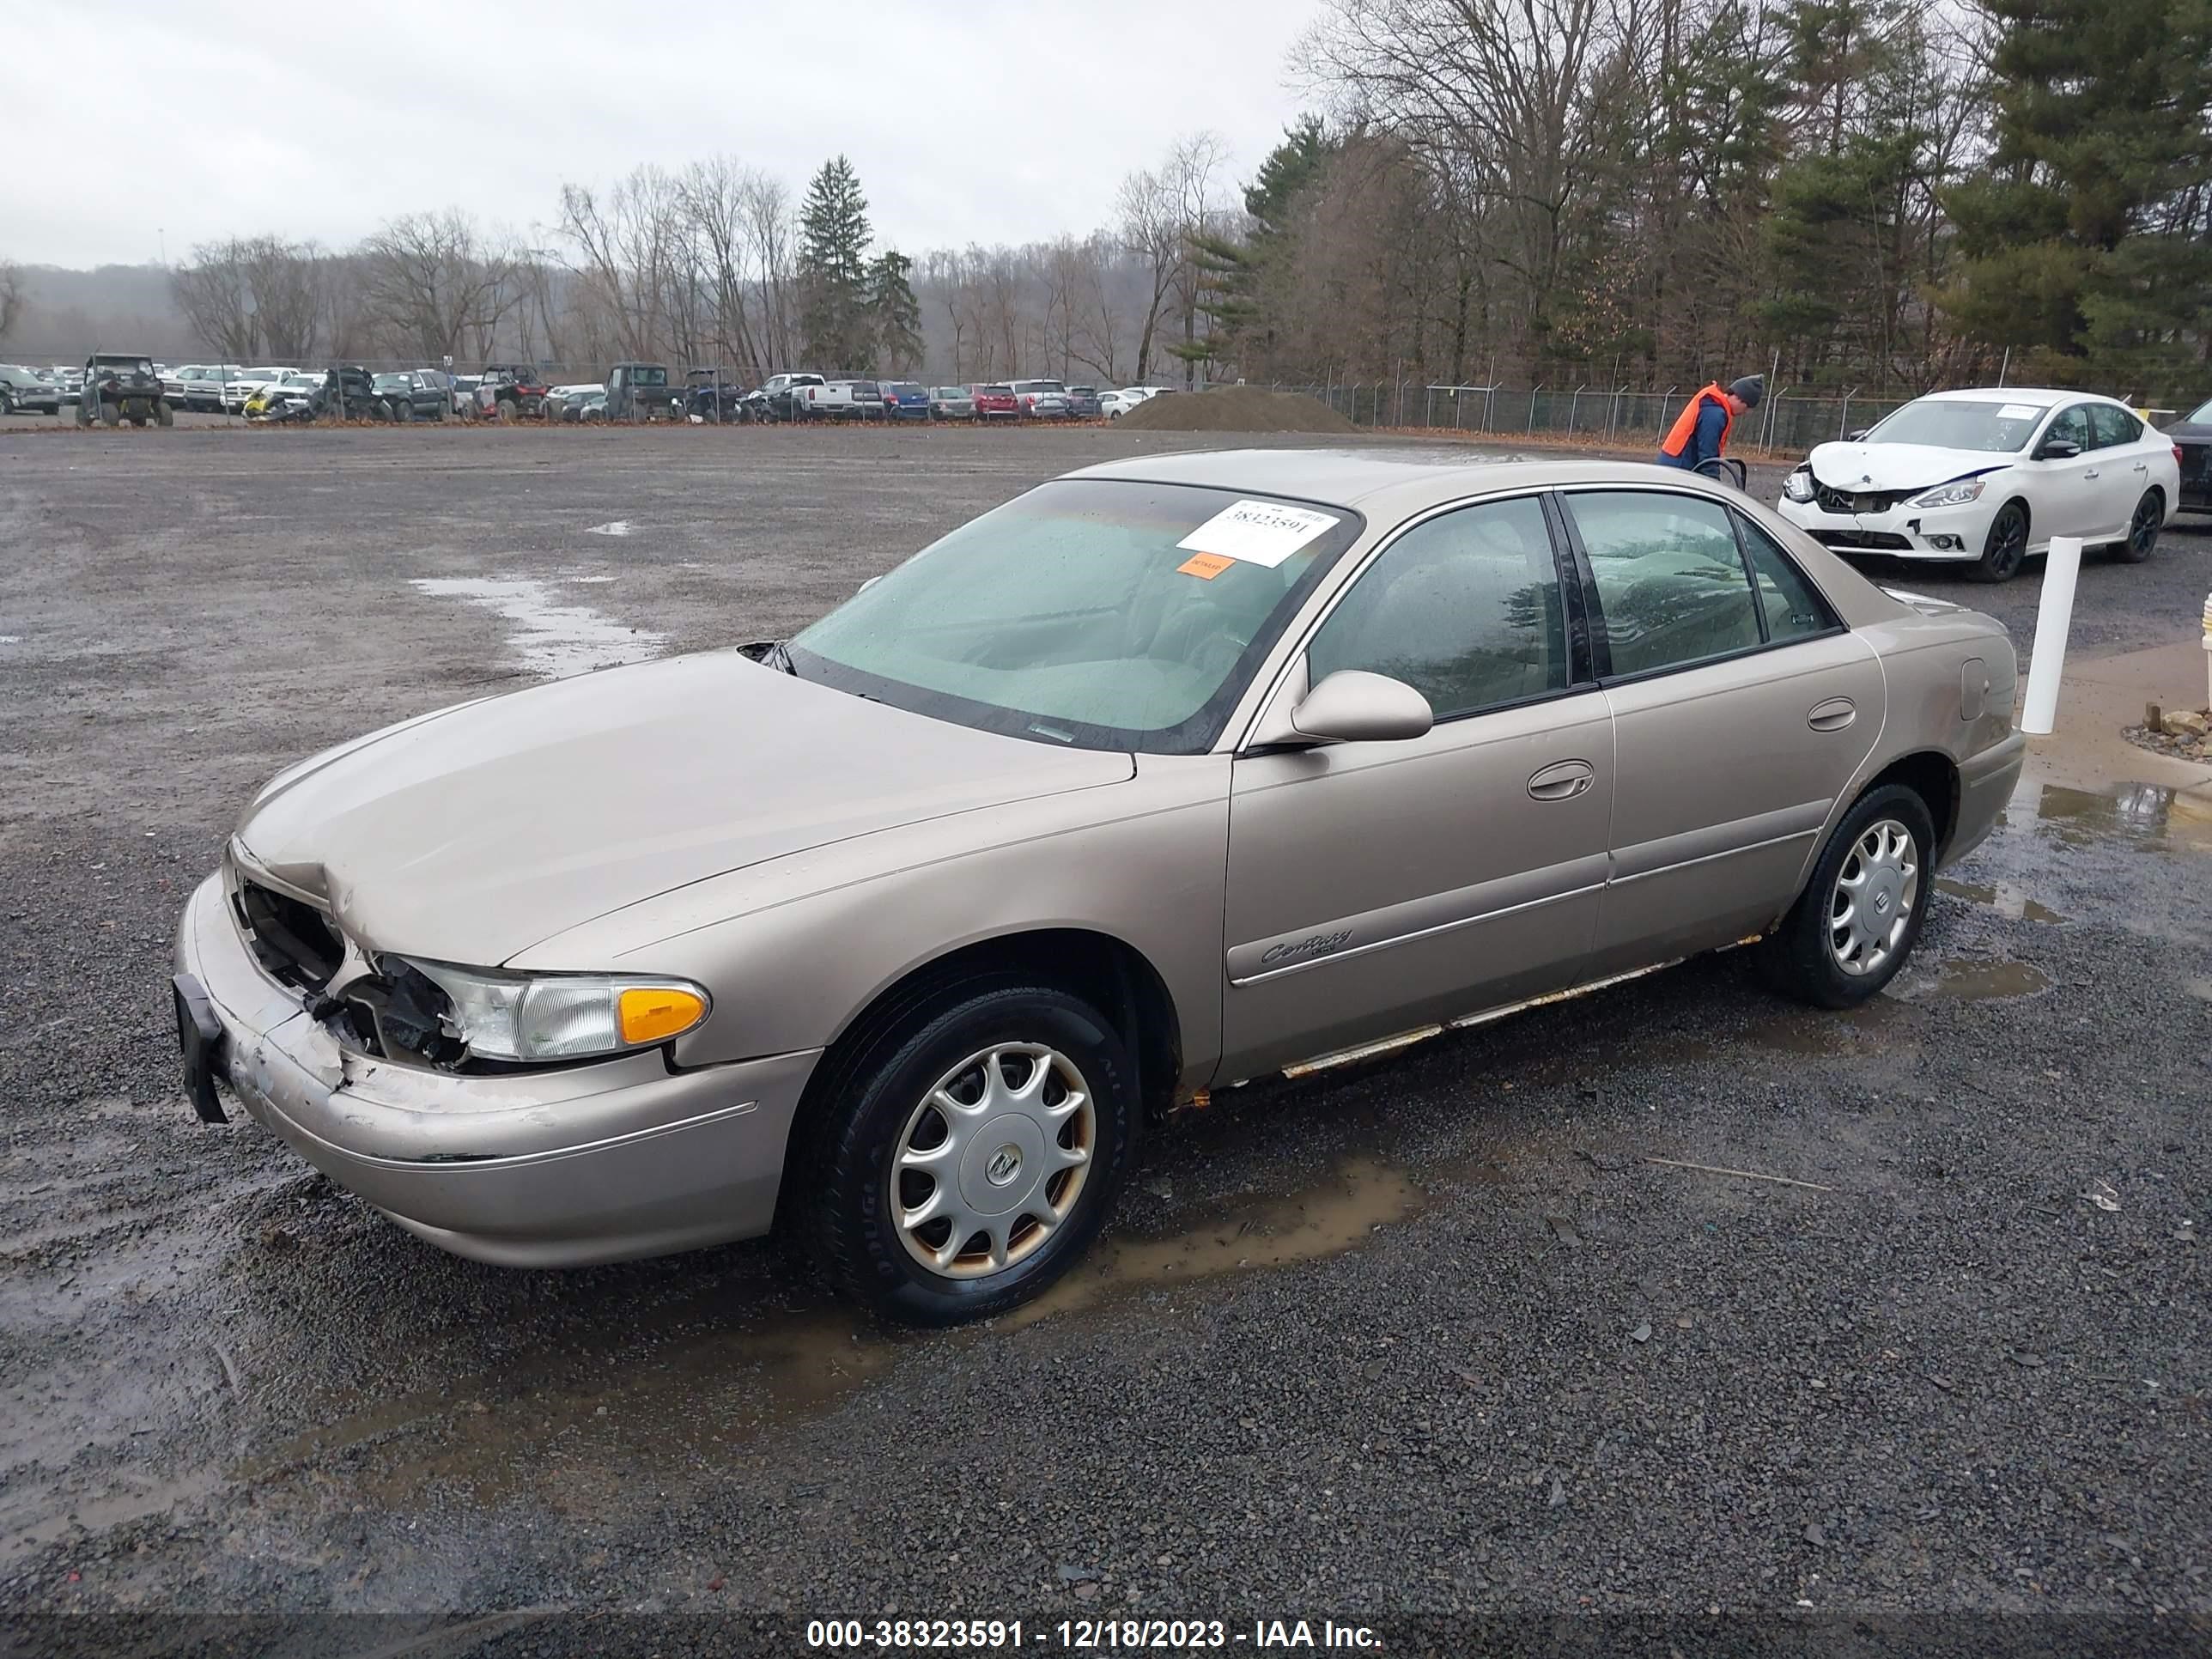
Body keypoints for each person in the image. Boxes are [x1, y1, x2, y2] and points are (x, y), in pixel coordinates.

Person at [1656, 374, 1764, 472]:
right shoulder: (1715, 414)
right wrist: (1715, 485)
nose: (1745, 412)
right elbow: (1708, 458)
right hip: (1679, 469)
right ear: (1738, 398)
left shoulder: (1711, 406)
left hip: (1674, 465)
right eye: (1747, 407)